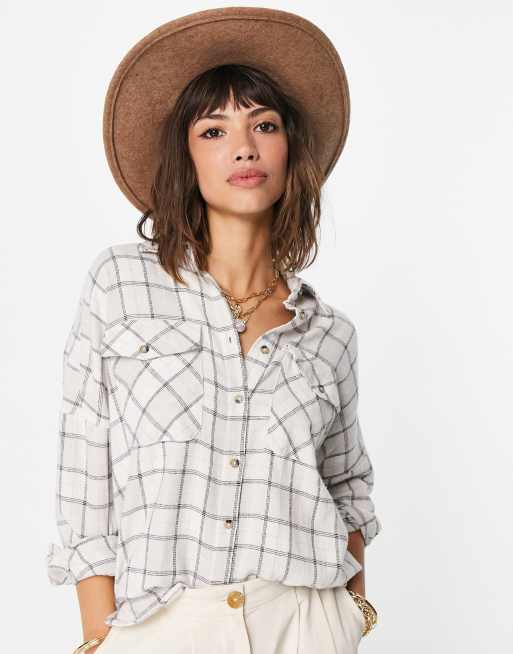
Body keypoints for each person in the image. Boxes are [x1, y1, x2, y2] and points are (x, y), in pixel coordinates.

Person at [46, 7, 382, 653]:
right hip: (159, 623)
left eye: (264, 125)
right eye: (213, 130)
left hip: (303, 623)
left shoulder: (330, 334)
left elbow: (347, 488)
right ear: (186, 156)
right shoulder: (121, 285)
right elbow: (84, 466)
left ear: (290, 150)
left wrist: (354, 614)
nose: (244, 147)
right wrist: (97, 635)